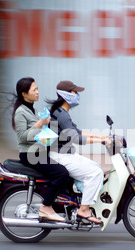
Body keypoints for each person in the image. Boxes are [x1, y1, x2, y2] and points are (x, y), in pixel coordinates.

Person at [46, 80, 109, 225]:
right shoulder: (62, 114)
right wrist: (101, 141)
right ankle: (84, 209)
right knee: (95, 173)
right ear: (66, 95)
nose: (77, 95)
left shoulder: (61, 112)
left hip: (64, 154)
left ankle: (80, 199)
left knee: (96, 166)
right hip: (60, 157)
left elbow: (77, 131)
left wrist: (101, 137)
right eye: (75, 92)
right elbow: (77, 138)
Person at [9, 77, 69, 222]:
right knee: (62, 173)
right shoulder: (20, 112)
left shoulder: (32, 109)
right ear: (24, 94)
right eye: (34, 90)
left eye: (37, 89)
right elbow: (23, 137)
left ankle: (61, 205)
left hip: (39, 151)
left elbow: (36, 135)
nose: (37, 92)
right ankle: (46, 206)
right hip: (30, 154)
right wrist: (40, 123)